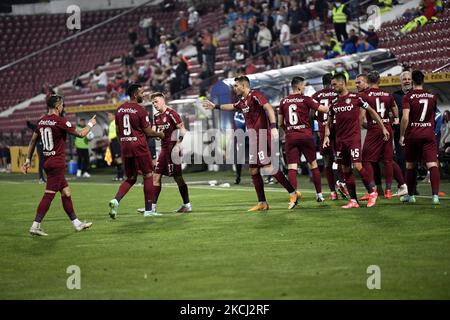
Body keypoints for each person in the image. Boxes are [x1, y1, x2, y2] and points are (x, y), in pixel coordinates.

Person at [203, 76, 300, 211]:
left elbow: (269, 108)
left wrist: (273, 127)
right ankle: (262, 203)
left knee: (268, 166)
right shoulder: (242, 101)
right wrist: (216, 106)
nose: (234, 88)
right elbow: (232, 106)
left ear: (243, 86)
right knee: (253, 169)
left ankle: (293, 193)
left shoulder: (255, 95)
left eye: (236, 86)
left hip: (262, 136)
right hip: (254, 138)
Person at [22, 95, 96, 236]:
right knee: (49, 195)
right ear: (57, 106)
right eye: (62, 105)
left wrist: (27, 160)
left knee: (66, 192)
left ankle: (77, 223)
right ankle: (35, 225)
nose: (63, 107)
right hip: (56, 163)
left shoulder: (41, 121)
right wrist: (91, 124)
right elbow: (81, 134)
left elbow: (32, 142)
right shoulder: (60, 121)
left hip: (48, 162)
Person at [323, 73, 390, 209]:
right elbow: (328, 122)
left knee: (358, 165)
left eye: (334, 84)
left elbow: (372, 111)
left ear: (342, 83)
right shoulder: (334, 102)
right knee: (345, 168)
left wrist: (382, 127)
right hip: (340, 140)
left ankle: (372, 192)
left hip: (353, 138)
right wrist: (326, 137)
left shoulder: (356, 98)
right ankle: (353, 200)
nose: (332, 87)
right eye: (332, 85)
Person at [108, 84, 164, 219]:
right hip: (139, 146)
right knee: (148, 175)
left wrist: (125, 141)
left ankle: (116, 200)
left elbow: (117, 131)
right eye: (142, 93)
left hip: (126, 146)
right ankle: (149, 210)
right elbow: (148, 132)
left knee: (131, 178)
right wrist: (160, 135)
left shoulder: (120, 109)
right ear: (135, 94)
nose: (143, 95)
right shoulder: (141, 110)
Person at [278, 76, 330, 202]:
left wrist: (289, 131)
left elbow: (280, 123)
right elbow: (324, 109)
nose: (304, 88)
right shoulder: (306, 99)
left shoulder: (283, 101)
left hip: (291, 137)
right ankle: (319, 195)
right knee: (313, 164)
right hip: (306, 135)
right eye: (304, 86)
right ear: (299, 86)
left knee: (292, 166)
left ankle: (293, 196)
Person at [359, 71, 408, 201]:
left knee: (367, 160)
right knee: (388, 160)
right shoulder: (387, 94)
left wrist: (363, 125)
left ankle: (372, 191)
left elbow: (362, 116)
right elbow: (394, 107)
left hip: (374, 128)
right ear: (379, 81)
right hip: (387, 127)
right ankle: (388, 190)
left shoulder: (364, 95)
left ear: (368, 82)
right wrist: (396, 118)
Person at [139, 92, 192, 214]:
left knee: (178, 178)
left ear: (163, 101)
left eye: (156, 101)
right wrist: (157, 135)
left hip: (173, 151)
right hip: (163, 151)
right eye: (152, 103)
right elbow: (155, 134)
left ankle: (187, 204)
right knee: (156, 176)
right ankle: (152, 207)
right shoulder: (156, 116)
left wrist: (178, 144)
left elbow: (183, 130)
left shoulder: (172, 114)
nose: (154, 104)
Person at [399, 70, 440, 204]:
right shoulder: (432, 96)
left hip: (413, 134)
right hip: (428, 134)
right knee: (432, 164)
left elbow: (405, 118)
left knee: (411, 165)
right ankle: (435, 196)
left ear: (412, 81)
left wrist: (402, 135)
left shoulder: (408, 97)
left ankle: (411, 196)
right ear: (423, 81)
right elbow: (433, 116)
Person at [312, 73, 349, 200]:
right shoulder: (336, 93)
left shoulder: (316, 96)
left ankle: (333, 192)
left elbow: (311, 114)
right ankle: (341, 182)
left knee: (328, 161)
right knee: (340, 159)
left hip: (324, 131)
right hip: (338, 129)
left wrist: (320, 120)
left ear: (322, 83)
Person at [107, 111, 124, 181]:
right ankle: (118, 175)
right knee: (115, 159)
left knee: (118, 159)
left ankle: (121, 176)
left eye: (109, 115)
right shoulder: (111, 123)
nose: (108, 117)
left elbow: (119, 132)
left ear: (113, 116)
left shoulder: (116, 122)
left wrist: (114, 138)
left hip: (116, 142)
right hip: (112, 143)